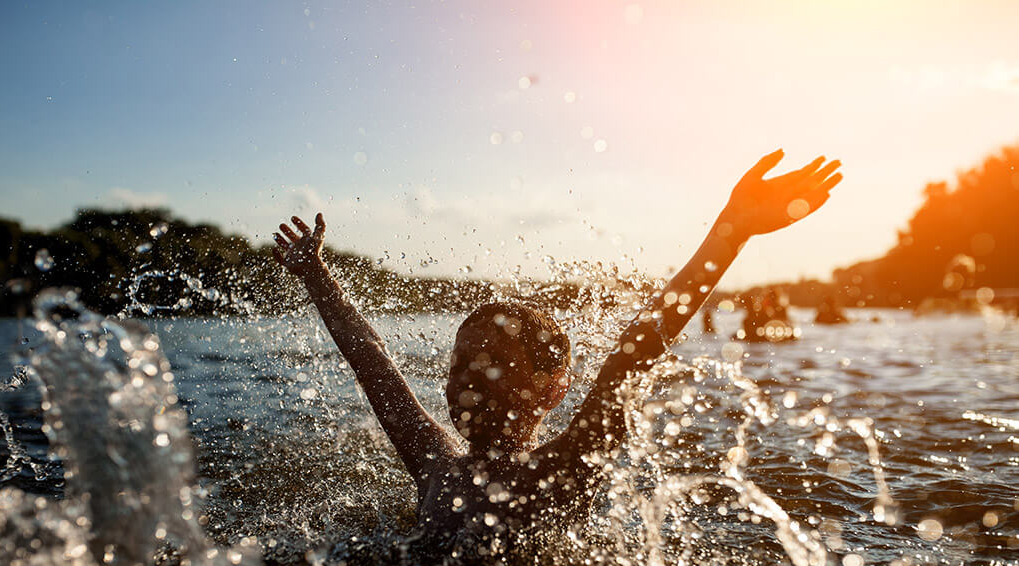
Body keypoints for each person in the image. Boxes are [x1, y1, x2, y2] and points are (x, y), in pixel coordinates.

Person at [272, 150, 842, 545]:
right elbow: (374, 364)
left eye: (492, 365)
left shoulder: (564, 470)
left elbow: (635, 352)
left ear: (552, 391)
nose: (464, 378)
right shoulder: (434, 463)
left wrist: (732, 230)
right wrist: (318, 278)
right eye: (460, 363)